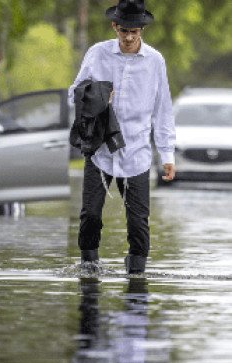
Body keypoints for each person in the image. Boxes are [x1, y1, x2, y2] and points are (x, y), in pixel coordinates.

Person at [69, 0, 176, 274]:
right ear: (115, 26)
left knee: (138, 222)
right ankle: (89, 267)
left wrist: (167, 155)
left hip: (137, 152)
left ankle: (137, 274)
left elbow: (163, 109)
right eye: (124, 30)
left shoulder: (155, 61)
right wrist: (97, 95)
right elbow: (74, 93)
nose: (129, 37)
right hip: (100, 149)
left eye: (135, 32)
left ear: (141, 30)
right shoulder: (97, 54)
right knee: (90, 215)